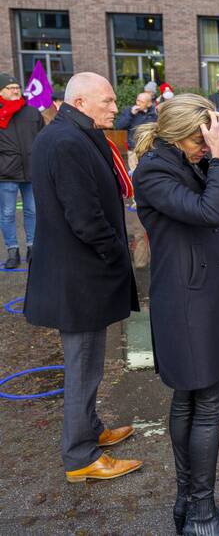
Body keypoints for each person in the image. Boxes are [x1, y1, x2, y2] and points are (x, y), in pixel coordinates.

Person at [132, 96, 219, 535]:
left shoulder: (180, 161)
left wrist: (214, 161)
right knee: (208, 400)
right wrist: (217, 158)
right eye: (200, 140)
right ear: (179, 135)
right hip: (187, 300)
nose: (206, 147)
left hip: (198, 293)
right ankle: (200, 515)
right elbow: (209, 211)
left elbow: (217, 203)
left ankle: (190, 503)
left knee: (191, 397)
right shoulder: (154, 171)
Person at [24, 72, 142, 484]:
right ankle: (80, 456)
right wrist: (116, 253)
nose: (115, 107)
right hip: (81, 275)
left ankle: (90, 429)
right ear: (80, 102)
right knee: (83, 367)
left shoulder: (71, 134)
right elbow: (85, 217)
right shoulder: (67, 142)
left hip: (79, 272)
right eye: (107, 101)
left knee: (87, 363)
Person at [0, 79, 43, 268]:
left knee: (32, 211)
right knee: (7, 213)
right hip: (6, 172)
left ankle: (33, 248)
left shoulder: (32, 112)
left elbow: (42, 137)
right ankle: (12, 250)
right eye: (10, 88)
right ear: (1, 92)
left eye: (17, 87)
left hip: (32, 169)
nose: (16, 90)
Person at [114, 91, 157, 171]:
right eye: (137, 100)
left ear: (149, 104)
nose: (138, 103)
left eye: (142, 102)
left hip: (149, 148)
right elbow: (119, 127)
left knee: (149, 170)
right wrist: (131, 114)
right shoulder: (129, 111)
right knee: (134, 171)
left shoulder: (155, 113)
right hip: (133, 149)